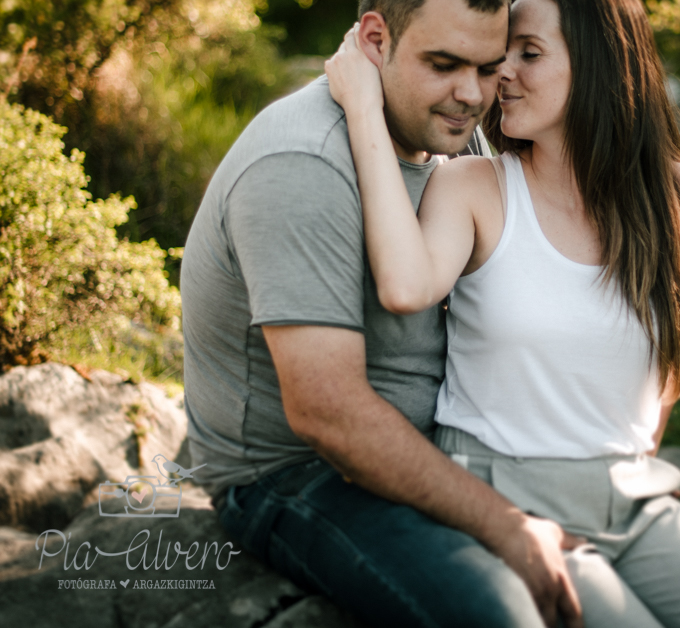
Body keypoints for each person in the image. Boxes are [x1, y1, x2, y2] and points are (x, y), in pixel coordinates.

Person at [325, 0, 680, 626]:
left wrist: (623, 466)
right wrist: (363, 107)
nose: (502, 76)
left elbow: (663, 375)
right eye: (505, 56)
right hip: (510, 499)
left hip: (636, 504)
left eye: (530, 54)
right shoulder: (473, 186)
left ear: (602, 65)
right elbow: (404, 286)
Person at [180, 0, 587, 626]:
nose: (470, 94)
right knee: (501, 611)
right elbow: (327, 413)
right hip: (294, 473)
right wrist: (505, 527)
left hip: (445, 441)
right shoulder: (303, 164)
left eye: (486, 67)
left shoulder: (454, 135)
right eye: (443, 64)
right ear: (375, 39)